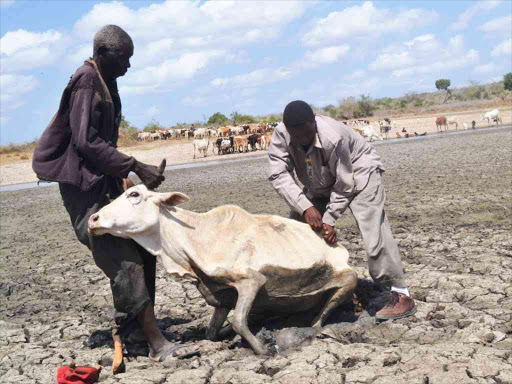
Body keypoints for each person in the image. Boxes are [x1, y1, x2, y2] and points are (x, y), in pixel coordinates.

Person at [32, 25, 195, 361]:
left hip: (102, 183)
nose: (129, 66)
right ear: (104, 53)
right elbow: (85, 141)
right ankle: (156, 343)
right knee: (124, 259)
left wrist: (124, 179)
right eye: (125, 57)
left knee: (142, 247)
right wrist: (136, 165)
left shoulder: (107, 84)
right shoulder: (87, 81)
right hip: (84, 191)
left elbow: (103, 144)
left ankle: (135, 328)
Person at [268, 100, 416, 321]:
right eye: (295, 136)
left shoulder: (332, 136)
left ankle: (399, 293)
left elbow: (345, 184)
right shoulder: (281, 135)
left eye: (305, 135)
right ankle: (317, 290)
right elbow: (278, 174)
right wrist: (305, 207)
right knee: (299, 229)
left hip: (359, 172)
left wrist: (329, 219)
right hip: (319, 180)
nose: (300, 140)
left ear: (313, 123)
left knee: (372, 228)